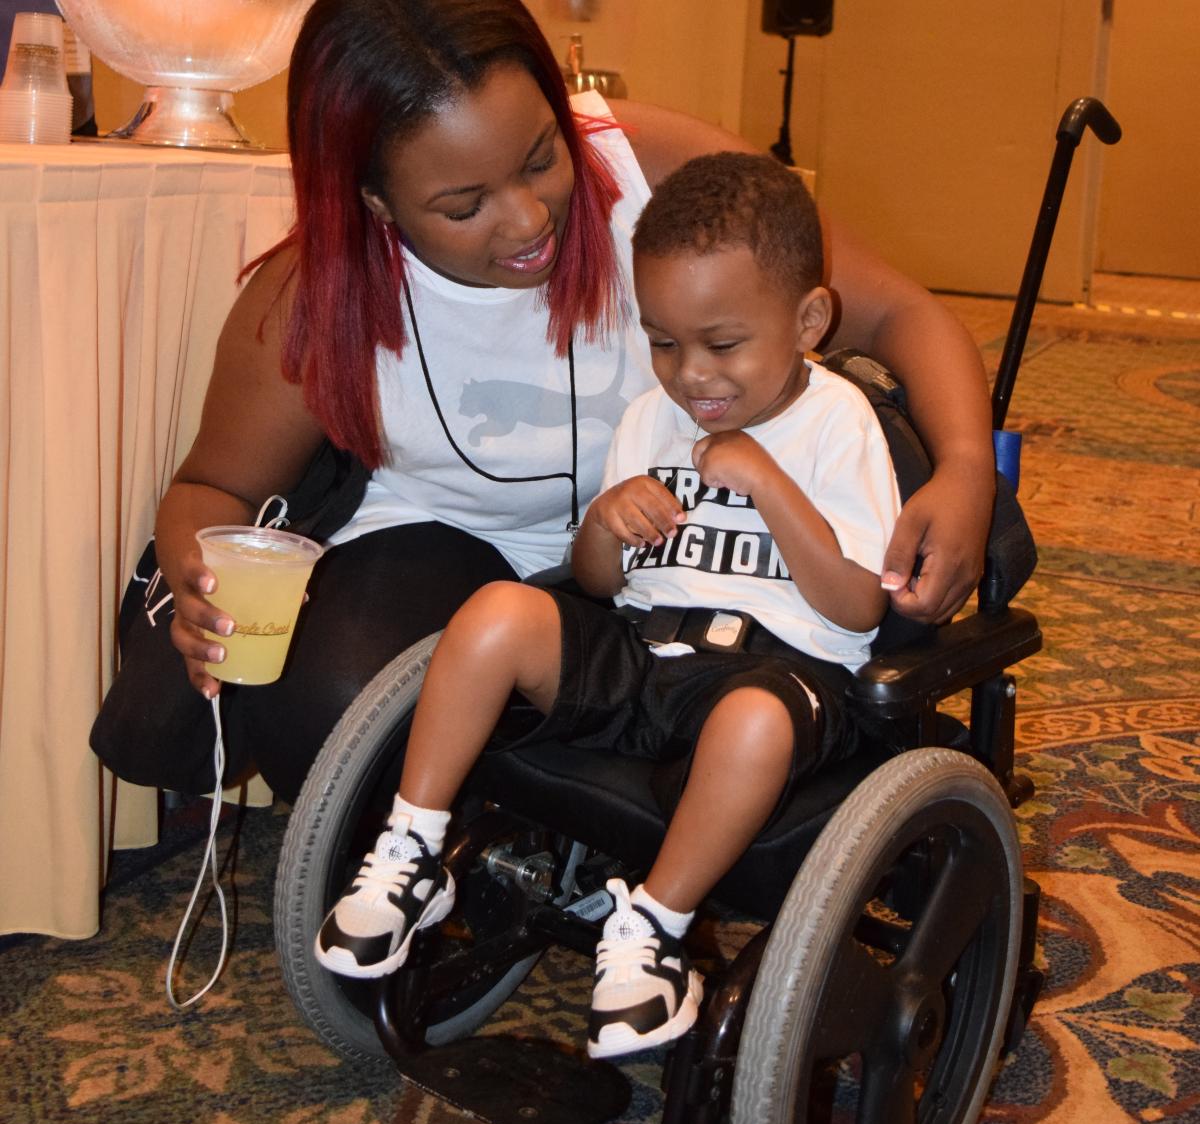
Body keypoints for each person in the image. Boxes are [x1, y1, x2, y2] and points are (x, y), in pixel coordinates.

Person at [90, 0, 993, 807]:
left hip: (673, 568)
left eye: (540, 158)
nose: (527, 221)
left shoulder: (655, 171)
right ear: (377, 201)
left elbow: (901, 312)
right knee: (325, 707)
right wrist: (203, 591)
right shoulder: (313, 292)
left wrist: (963, 472)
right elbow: (213, 489)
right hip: (450, 559)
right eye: (464, 203)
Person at [315, 151, 902, 1059]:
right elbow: (597, 586)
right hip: (647, 650)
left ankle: (655, 932)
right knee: (498, 611)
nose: (690, 375)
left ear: (809, 319)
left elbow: (860, 607)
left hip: (781, 672)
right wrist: (603, 523)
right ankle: (413, 848)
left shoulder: (837, 422)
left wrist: (771, 486)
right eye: (663, 342)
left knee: (749, 721)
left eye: (723, 343)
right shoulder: (651, 419)